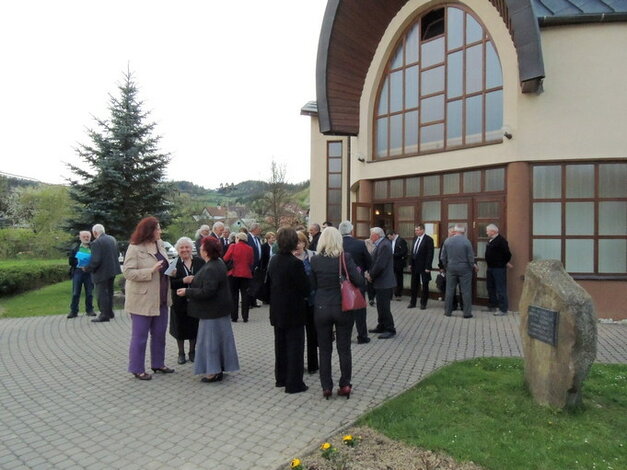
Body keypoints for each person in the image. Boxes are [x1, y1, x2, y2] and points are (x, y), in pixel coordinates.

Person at [311, 227, 364, 399]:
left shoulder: (315, 260)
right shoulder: (345, 258)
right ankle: (345, 384)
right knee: (344, 348)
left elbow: (311, 285)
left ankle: (326, 386)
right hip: (343, 307)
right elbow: (359, 281)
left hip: (321, 307)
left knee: (324, 350)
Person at [177, 236, 239, 383]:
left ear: (206, 251)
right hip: (218, 311)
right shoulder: (217, 263)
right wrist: (195, 280)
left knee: (210, 343)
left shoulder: (211, 267)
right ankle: (219, 367)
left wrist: (187, 292)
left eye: (202, 247)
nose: (199, 249)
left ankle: (212, 372)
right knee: (220, 342)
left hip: (212, 312)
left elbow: (208, 291)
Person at [123, 217, 173, 380]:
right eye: (157, 229)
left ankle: (158, 363)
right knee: (140, 336)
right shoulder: (135, 247)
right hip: (142, 300)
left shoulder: (160, 244)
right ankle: (137, 368)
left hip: (161, 297)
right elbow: (128, 273)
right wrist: (150, 270)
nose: (160, 231)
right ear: (149, 231)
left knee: (159, 334)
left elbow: (164, 265)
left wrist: (170, 269)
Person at [266, 227, 310, 394]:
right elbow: (305, 288)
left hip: (277, 309)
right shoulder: (296, 264)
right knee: (295, 347)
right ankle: (294, 383)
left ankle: (281, 378)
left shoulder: (273, 260)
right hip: (294, 310)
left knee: (280, 345)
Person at [169, 237, 203, 364]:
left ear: (191, 249)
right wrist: (183, 281)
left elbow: (205, 278)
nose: (185, 250)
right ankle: (181, 353)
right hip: (179, 301)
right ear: (177, 250)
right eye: (181, 248)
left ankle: (192, 352)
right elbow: (170, 284)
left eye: (187, 247)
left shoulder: (199, 262)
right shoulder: (173, 264)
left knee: (194, 326)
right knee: (180, 327)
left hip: (196, 299)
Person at [339, 220, 372, 344]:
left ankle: (345, 336)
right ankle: (362, 336)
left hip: (341, 282)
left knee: (344, 309)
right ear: (352, 231)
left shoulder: (337, 244)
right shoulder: (360, 244)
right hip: (358, 281)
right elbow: (369, 261)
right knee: (359, 309)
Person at [293, 230, 318, 374]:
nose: (297, 245)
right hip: (296, 303)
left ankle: (313, 364)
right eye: (295, 242)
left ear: (304, 242)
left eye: (300, 242)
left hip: (312, 301)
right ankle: (298, 364)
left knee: (312, 334)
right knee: (297, 336)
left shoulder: (312, 256)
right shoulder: (290, 258)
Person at [440, 224, 477, 319]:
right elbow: (470, 257)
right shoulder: (467, 242)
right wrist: (471, 266)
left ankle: (447, 311)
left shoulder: (447, 241)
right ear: (463, 232)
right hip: (465, 269)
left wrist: (446, 266)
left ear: (455, 231)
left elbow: (442, 257)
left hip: (451, 268)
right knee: (466, 291)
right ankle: (467, 313)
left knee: (449, 290)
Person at [87, 224, 122, 323]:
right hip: (112, 270)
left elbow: (95, 260)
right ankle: (110, 312)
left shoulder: (96, 243)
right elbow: (118, 253)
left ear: (95, 233)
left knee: (102, 294)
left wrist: (88, 268)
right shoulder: (112, 239)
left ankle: (104, 315)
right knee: (109, 292)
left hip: (101, 272)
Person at [366, 227, 396, 339]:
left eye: (371, 235)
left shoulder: (384, 245)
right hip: (380, 281)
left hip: (385, 281)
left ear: (377, 235)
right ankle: (381, 325)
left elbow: (380, 264)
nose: (370, 237)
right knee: (380, 305)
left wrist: (371, 275)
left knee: (384, 306)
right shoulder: (382, 244)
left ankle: (390, 328)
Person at [223, 232, 254, 322]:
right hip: (246, 274)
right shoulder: (250, 248)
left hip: (234, 274)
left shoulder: (233, 246)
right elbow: (251, 262)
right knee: (245, 296)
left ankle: (234, 316)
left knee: (234, 295)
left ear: (237, 238)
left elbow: (225, 258)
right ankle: (245, 316)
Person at [484, 224, 512, 316]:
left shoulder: (501, 241)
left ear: (493, 231)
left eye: (487, 231)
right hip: (490, 267)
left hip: (498, 268)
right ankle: (493, 305)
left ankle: (503, 309)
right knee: (490, 287)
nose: (486, 232)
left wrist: (503, 262)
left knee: (500, 288)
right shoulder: (491, 240)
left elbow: (507, 254)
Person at [67, 230, 95, 318]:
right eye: (84, 237)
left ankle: (89, 310)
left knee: (89, 292)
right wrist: (78, 264)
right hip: (78, 271)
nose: (86, 238)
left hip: (89, 272)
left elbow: (96, 260)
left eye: (88, 237)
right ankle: (74, 311)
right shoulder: (76, 248)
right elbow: (71, 260)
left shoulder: (93, 247)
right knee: (75, 292)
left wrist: (89, 266)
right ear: (80, 238)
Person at [408, 224, 435, 310]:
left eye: (418, 230)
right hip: (415, 265)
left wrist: (428, 267)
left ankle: (423, 303)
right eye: (415, 230)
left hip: (424, 266)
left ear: (422, 230)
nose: (416, 232)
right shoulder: (415, 238)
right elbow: (412, 252)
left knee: (425, 284)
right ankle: (413, 302)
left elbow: (430, 254)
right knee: (414, 285)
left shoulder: (428, 239)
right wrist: (410, 263)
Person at [387, 229, 408, 300]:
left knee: (399, 279)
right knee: (391, 278)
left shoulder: (401, 241)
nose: (389, 238)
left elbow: (404, 252)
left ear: (393, 235)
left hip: (399, 263)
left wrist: (393, 255)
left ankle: (398, 294)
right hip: (391, 263)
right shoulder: (390, 241)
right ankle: (390, 294)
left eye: (390, 237)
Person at [247, 223, 263, 308]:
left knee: (255, 284)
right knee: (249, 285)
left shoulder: (257, 238)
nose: (260, 230)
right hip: (250, 265)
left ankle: (254, 301)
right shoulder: (247, 238)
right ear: (254, 229)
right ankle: (248, 302)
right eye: (259, 228)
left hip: (257, 265)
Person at [364, 237, 377, 306]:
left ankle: (374, 297)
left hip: (376, 266)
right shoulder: (366, 242)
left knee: (375, 283)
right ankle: (371, 299)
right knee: (369, 283)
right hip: (368, 266)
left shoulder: (379, 243)